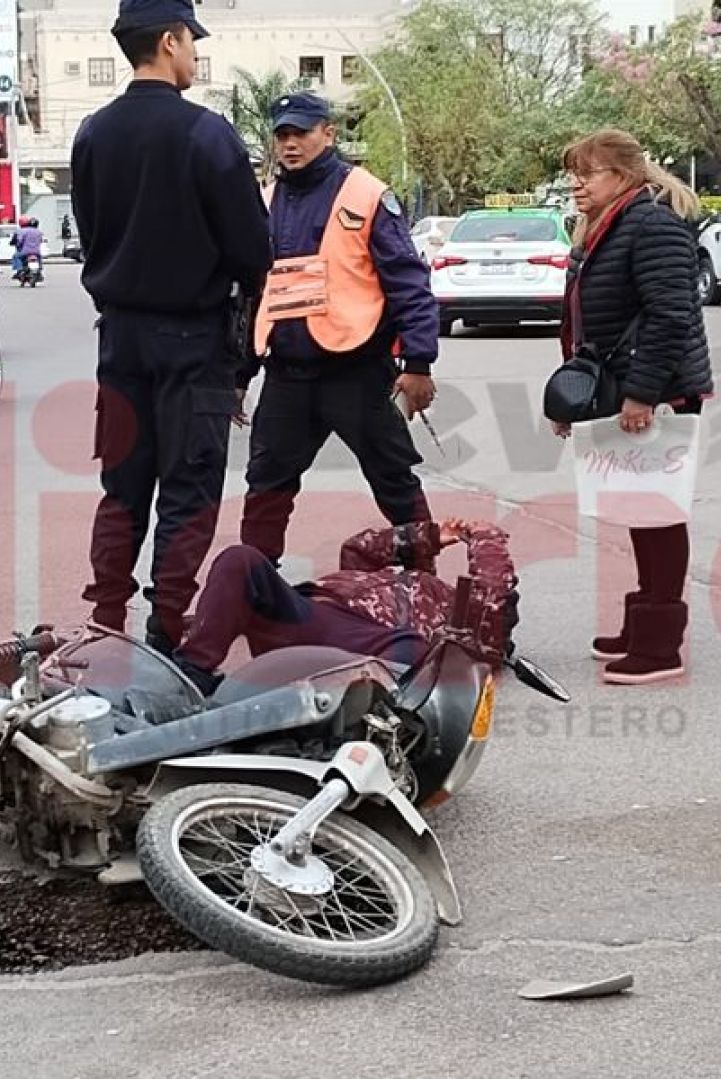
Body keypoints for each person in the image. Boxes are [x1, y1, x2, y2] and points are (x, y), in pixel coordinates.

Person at [71, 0, 272, 654]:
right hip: (196, 342)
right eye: (191, 41)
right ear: (168, 40)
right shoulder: (206, 133)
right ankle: (168, 628)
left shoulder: (93, 132)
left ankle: (106, 620)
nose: (194, 54)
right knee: (189, 488)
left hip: (120, 340)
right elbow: (252, 248)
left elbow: (91, 231)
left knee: (122, 484)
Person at [238, 91, 440, 568]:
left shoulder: (366, 193)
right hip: (287, 374)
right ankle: (252, 584)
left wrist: (418, 362)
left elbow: (408, 282)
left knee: (394, 477)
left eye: (301, 133)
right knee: (266, 484)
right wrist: (239, 374)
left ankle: (424, 575)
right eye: (283, 134)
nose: (291, 144)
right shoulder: (265, 200)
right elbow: (253, 295)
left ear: (328, 133)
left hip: (356, 371)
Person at [550, 128, 714, 686]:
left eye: (587, 172)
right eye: (572, 172)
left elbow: (672, 316)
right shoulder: (608, 225)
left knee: (660, 514)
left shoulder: (651, 223)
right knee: (639, 512)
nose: (575, 183)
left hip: (661, 393)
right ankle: (642, 624)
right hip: (625, 387)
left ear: (622, 175)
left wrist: (643, 393)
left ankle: (660, 646)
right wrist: (572, 396)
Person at [171, 518, 519, 697]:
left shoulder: (470, 629)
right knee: (240, 559)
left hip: (364, 641)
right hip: (306, 614)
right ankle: (190, 676)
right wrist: (429, 535)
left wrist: (482, 532)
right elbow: (360, 548)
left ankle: (339, 710)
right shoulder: (383, 583)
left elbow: (494, 590)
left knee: (411, 652)